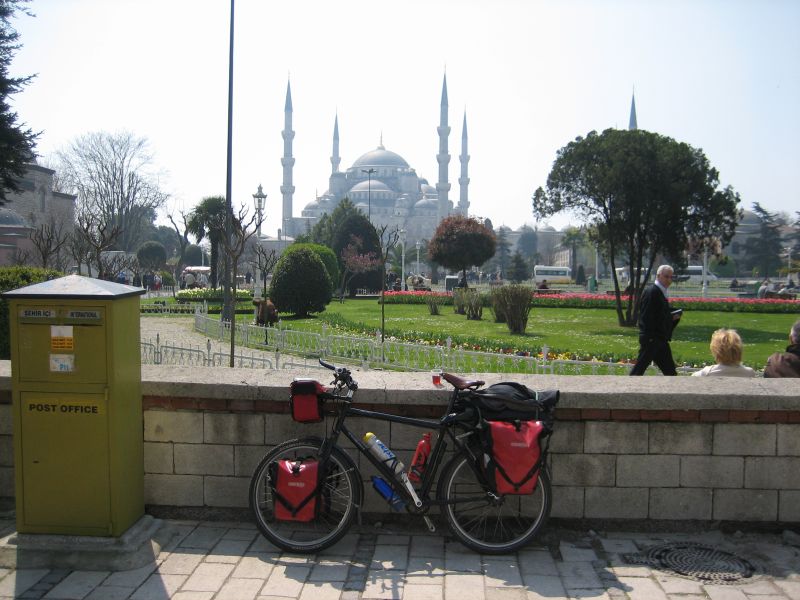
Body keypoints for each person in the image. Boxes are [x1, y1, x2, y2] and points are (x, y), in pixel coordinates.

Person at [630, 265, 681, 376]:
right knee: (638, 371)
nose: (669, 280)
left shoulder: (659, 291)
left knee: (670, 372)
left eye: (671, 277)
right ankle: (625, 390)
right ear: (658, 276)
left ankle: (674, 392)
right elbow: (647, 316)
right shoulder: (653, 292)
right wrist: (650, 338)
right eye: (666, 277)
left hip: (659, 339)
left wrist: (671, 316)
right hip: (652, 339)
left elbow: (658, 313)